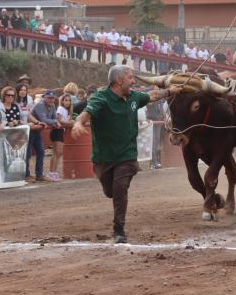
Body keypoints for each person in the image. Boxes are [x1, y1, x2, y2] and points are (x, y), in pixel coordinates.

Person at [72, 65, 181, 243]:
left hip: (127, 155)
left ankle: (119, 229)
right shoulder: (102, 98)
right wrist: (78, 123)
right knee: (110, 191)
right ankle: (117, 213)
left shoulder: (133, 97)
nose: (133, 81)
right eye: (130, 77)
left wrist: (170, 91)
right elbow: (87, 113)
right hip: (103, 157)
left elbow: (152, 96)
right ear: (118, 80)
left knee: (120, 188)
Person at [26, 90, 59, 182]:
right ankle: (26, 175)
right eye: (49, 98)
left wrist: (54, 121)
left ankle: (39, 175)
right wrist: (55, 122)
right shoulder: (40, 104)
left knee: (41, 152)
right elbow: (44, 119)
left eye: (52, 98)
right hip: (30, 130)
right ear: (44, 97)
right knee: (28, 154)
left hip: (37, 130)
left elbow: (53, 118)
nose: (51, 100)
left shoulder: (52, 106)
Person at [48, 93, 74, 182]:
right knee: (56, 152)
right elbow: (60, 120)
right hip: (56, 131)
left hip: (61, 132)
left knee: (59, 153)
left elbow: (66, 122)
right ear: (62, 101)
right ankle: (51, 173)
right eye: (66, 100)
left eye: (69, 100)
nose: (68, 102)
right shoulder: (60, 108)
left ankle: (54, 172)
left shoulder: (68, 111)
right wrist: (72, 123)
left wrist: (70, 122)